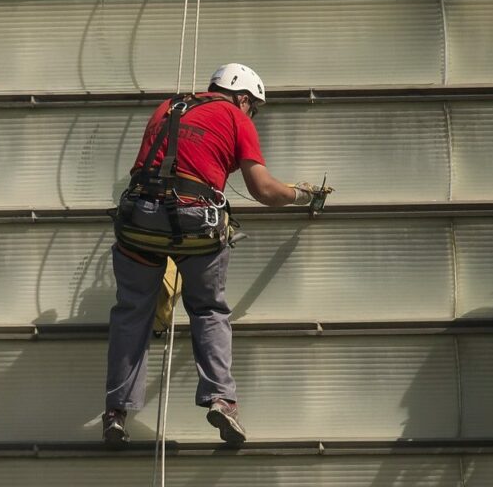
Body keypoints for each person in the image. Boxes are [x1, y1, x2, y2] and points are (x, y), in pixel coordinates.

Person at [102, 63, 330, 447]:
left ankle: (115, 412)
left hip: (138, 219)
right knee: (208, 309)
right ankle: (222, 401)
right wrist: (303, 195)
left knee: (131, 312)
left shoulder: (167, 108)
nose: (251, 114)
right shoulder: (235, 117)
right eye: (252, 107)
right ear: (242, 97)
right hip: (194, 222)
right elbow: (264, 191)